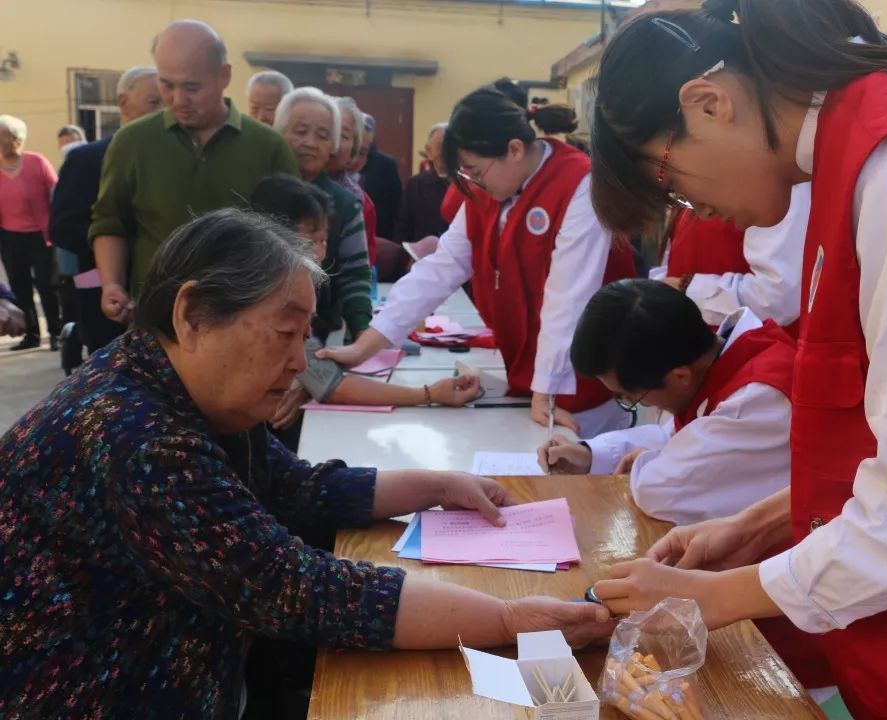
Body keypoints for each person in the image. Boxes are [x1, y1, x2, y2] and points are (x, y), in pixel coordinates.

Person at [585, 1, 887, 717]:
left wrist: (719, 596)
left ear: (710, 103)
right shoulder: (849, 160)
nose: (690, 210)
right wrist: (755, 526)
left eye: (668, 182)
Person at [0, 209, 613, 718]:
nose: (302, 363)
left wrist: (439, 484)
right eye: (285, 333)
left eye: (305, 337)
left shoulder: (178, 391)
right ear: (191, 315)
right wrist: (508, 618)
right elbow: (292, 587)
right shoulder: (135, 434)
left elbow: (292, 486)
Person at [319, 84, 637, 439]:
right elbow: (442, 267)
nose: (473, 183)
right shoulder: (488, 189)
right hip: (530, 379)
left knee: (575, 473)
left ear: (514, 150)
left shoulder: (580, 183)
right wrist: (367, 345)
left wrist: (547, 390)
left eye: (476, 171)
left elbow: (569, 298)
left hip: (581, 382)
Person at [90, 19, 298, 326]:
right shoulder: (131, 142)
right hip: (156, 321)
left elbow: (293, 235)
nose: (177, 100)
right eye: (166, 84)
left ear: (224, 75)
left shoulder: (269, 147)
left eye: (191, 87)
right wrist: (112, 284)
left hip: (242, 320)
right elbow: (110, 220)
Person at [539, 279, 793, 526]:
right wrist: (590, 454)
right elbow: (677, 437)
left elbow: (660, 492)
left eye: (631, 398)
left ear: (679, 375)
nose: (646, 406)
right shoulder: (714, 358)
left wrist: (651, 461)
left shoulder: (752, 399)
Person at [248, 174, 481, 441]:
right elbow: (334, 387)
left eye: (324, 240)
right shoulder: (277, 298)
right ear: (270, 236)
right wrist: (428, 394)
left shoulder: (270, 283)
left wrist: (311, 380)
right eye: (311, 241)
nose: (320, 253)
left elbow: (317, 373)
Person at [50, 66, 161, 356]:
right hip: (104, 295)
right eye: (154, 102)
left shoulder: (170, 160)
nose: (163, 111)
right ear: (124, 103)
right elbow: (62, 227)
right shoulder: (88, 159)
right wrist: (115, 245)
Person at [275, 87, 373, 338]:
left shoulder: (346, 205)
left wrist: (362, 332)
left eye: (322, 135)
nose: (310, 143)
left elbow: (355, 274)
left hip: (315, 333)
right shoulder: (259, 192)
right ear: (278, 132)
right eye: (300, 131)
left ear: (333, 145)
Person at [652, 182, 810, 327]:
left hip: (748, 349)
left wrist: (686, 289)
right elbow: (674, 257)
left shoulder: (771, 185)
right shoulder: (694, 186)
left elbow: (778, 299)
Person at [0, 114, 62, 351]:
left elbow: (57, 193)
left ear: (16, 139)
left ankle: (55, 333)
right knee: (19, 286)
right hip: (9, 236)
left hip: (41, 235)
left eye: (4, 137)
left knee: (46, 286)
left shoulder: (36, 162)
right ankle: (30, 333)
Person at [328, 96, 379, 265]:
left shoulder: (360, 202)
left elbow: (362, 267)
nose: (334, 143)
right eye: (327, 132)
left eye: (343, 136)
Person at [395, 122, 454, 246]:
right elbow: (404, 226)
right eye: (439, 146)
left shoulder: (464, 184)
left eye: (448, 146)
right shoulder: (415, 184)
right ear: (428, 151)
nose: (444, 152)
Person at [357, 113, 403, 240]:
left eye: (367, 130)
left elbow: (397, 204)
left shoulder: (386, 164)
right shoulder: (338, 158)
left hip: (379, 235)